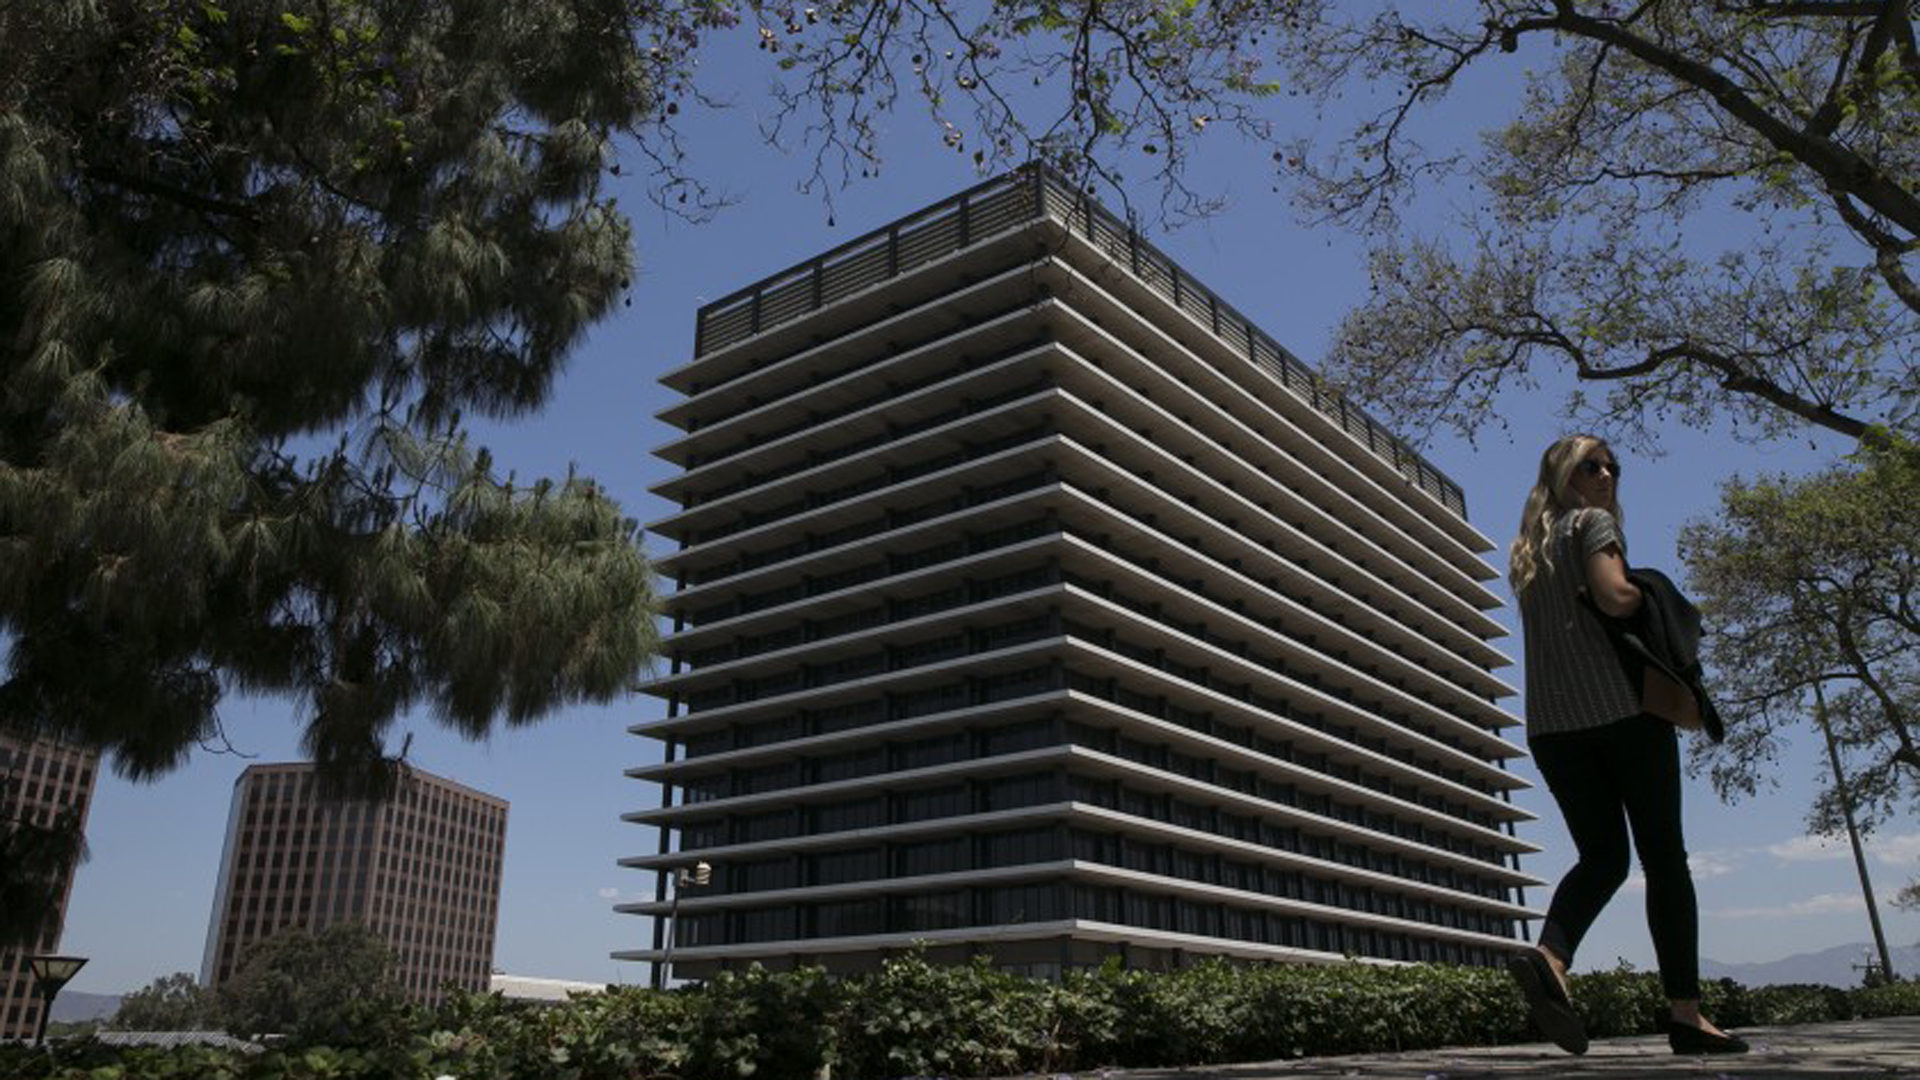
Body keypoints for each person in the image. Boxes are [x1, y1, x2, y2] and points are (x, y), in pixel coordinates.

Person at [1504, 434, 1748, 1056]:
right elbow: (1614, 596)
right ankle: (1687, 1018)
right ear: (1564, 476)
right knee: (1665, 859)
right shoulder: (1590, 524)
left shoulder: (1526, 552)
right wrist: (1654, 593)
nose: (1607, 474)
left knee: (1603, 857)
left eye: (1613, 466)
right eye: (1592, 466)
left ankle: (1550, 959)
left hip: (1553, 730)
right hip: (1621, 715)